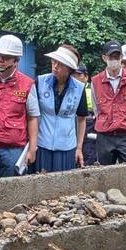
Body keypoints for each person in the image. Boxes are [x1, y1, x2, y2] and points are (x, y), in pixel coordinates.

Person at [0, 35, 39, 179]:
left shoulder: (27, 84)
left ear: (16, 60)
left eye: (5, 57)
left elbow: (32, 117)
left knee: (11, 193)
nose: (0, 61)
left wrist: (32, 148)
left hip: (12, 149)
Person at [33, 44, 88, 172]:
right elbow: (31, 115)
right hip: (42, 144)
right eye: (54, 62)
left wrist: (79, 148)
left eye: (60, 64)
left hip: (67, 146)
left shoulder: (79, 88)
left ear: (69, 69)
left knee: (63, 188)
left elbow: (81, 119)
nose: (55, 66)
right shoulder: (40, 82)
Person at [90, 41, 126, 165]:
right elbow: (96, 109)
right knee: (104, 174)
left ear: (121, 57)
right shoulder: (95, 81)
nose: (114, 60)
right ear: (104, 58)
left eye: (117, 57)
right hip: (105, 135)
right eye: (111, 57)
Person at [71, 64, 97, 166]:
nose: (76, 77)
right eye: (73, 74)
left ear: (86, 77)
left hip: (89, 122)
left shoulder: (92, 89)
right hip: (73, 122)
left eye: (79, 74)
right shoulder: (70, 89)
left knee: (88, 149)